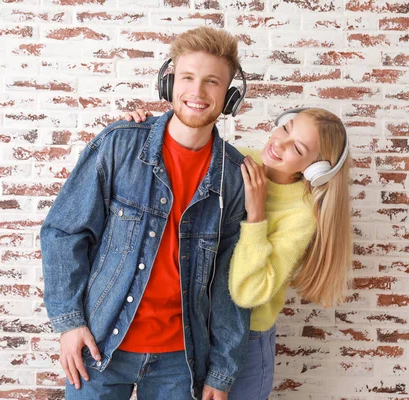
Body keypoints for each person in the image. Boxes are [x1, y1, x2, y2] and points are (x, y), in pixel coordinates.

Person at [40, 26, 250, 400]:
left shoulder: (233, 178)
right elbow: (64, 232)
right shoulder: (120, 144)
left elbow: (230, 286)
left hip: (181, 360)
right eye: (187, 78)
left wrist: (222, 370)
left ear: (230, 97)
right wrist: (69, 322)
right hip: (101, 345)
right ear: (168, 83)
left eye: (212, 82)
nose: (198, 93)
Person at [123, 106, 352, 399]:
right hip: (197, 328)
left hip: (247, 342)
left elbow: (248, 293)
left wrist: (256, 214)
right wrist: (144, 128)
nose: (279, 143)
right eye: (286, 128)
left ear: (314, 169)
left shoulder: (301, 215)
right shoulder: (237, 160)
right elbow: (177, 153)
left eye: (296, 147)